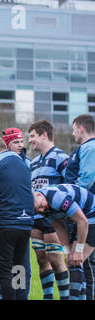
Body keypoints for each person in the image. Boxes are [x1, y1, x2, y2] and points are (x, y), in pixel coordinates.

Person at [0, 136, 34, 300]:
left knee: (4, 271)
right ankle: (21, 297)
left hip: (3, 222)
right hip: (25, 223)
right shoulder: (24, 162)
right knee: (19, 267)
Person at [27, 120, 70, 300]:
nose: (29, 141)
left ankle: (66, 297)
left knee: (55, 259)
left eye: (32, 136)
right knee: (41, 259)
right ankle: (47, 297)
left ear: (44, 135)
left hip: (53, 218)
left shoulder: (61, 158)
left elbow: (70, 186)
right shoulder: (33, 163)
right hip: (37, 219)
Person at [33, 183, 94, 299]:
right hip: (76, 221)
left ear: (39, 195)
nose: (42, 210)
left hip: (90, 217)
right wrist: (66, 251)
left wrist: (79, 250)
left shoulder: (56, 198)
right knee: (72, 260)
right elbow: (59, 227)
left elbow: (83, 222)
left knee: (75, 262)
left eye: (40, 206)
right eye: (38, 210)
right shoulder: (40, 207)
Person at [64, 114, 95, 300]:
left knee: (87, 265)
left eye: (74, 129)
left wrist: (72, 199)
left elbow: (87, 178)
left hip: (87, 213)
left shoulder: (90, 147)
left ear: (81, 129)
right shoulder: (83, 148)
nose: (73, 133)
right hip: (82, 213)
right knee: (80, 263)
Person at [1, 127, 32, 300]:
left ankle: (21, 297)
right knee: (5, 266)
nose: (20, 145)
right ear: (7, 145)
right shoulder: (1, 162)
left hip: (23, 221)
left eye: (21, 141)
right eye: (15, 142)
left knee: (22, 266)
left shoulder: (28, 163)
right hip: (4, 220)